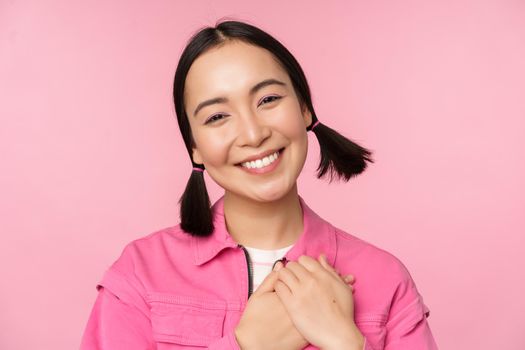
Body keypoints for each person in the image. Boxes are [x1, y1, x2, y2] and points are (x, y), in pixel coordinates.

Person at [80, 20, 438, 350]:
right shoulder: (140, 273)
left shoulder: (386, 279)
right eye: (217, 116)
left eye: (268, 99)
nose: (253, 134)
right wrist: (248, 343)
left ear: (304, 109)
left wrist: (346, 342)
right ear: (195, 147)